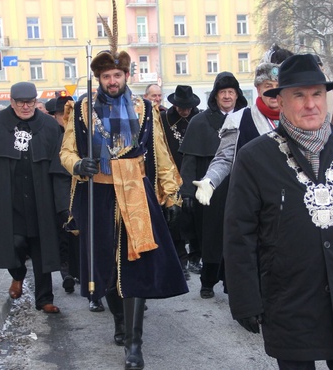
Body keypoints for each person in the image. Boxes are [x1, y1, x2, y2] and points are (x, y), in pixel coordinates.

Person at [224, 54, 333, 370]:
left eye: (317, 94)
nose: (311, 104)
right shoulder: (254, 158)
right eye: (299, 95)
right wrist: (246, 300)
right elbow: (239, 234)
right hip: (289, 299)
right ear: (280, 101)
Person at [60, 3, 187, 366]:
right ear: (99, 79)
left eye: (118, 75)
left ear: (127, 75)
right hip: (98, 192)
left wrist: (171, 194)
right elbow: (66, 152)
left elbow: (160, 153)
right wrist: (78, 163)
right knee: (105, 267)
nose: (112, 81)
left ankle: (134, 345)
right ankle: (118, 318)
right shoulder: (82, 109)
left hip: (137, 193)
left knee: (136, 266)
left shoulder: (147, 109)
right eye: (106, 77)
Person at [0, 82, 63, 314]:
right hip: (9, 196)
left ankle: (44, 298)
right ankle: (17, 275)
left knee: (41, 247)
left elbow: (58, 163)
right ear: (12, 102)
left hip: (41, 196)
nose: (26, 107)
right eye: (21, 102)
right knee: (13, 243)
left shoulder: (48, 124)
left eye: (31, 102)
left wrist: (61, 199)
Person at [179, 71, 248, 299]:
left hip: (240, 186)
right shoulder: (200, 122)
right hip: (210, 188)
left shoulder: (247, 119)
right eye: (223, 92)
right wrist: (188, 192)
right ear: (215, 96)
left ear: (237, 95)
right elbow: (189, 159)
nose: (227, 96)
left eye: (231, 92)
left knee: (238, 235)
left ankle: (232, 283)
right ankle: (207, 281)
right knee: (210, 235)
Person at [193, 61, 280, 207]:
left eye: (278, 87)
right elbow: (224, 158)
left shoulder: (295, 118)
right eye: (268, 86)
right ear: (258, 89)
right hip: (252, 199)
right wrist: (210, 180)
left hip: (288, 199)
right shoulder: (238, 119)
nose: (273, 92)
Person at [160, 85, 202, 280]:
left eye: (187, 106)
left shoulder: (199, 118)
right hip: (171, 172)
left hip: (196, 174)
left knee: (196, 217)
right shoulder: (163, 120)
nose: (184, 110)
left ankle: (195, 256)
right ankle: (180, 260)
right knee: (175, 220)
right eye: (180, 106)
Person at [46, 96, 82, 298]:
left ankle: (77, 273)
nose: (65, 118)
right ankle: (67, 272)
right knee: (64, 235)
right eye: (62, 115)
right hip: (60, 189)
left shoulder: (79, 132)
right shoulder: (53, 134)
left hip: (80, 187)